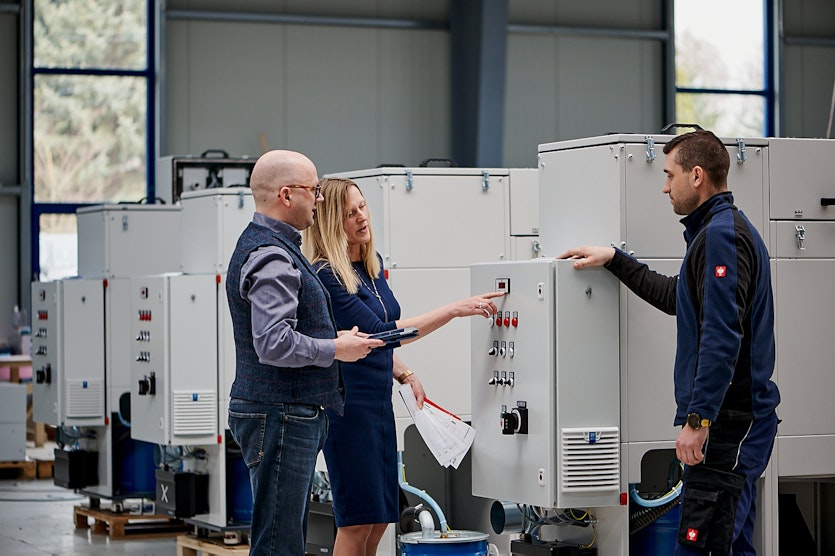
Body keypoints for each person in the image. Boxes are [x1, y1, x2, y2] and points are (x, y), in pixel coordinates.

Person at [560, 130, 780, 555]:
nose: (664, 187)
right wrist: (615, 260)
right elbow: (679, 297)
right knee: (733, 547)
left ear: (696, 176)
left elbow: (721, 336)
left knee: (703, 547)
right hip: (733, 422)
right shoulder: (718, 233)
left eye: (669, 175)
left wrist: (698, 421)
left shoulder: (722, 236)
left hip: (727, 425)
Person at [302, 177, 505, 556]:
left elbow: (374, 337)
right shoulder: (328, 276)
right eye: (350, 213)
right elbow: (380, 333)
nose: (362, 217)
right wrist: (453, 310)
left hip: (378, 407)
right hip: (348, 410)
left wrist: (404, 372)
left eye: (362, 206)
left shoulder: (370, 267)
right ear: (331, 222)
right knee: (356, 521)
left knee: (380, 518)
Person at [225, 151, 384, 556]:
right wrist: (336, 348)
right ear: (285, 195)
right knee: (279, 540)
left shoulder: (275, 246)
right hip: (280, 411)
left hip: (284, 410)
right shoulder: (273, 256)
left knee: (283, 533)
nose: (318, 199)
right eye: (313, 190)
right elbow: (274, 341)